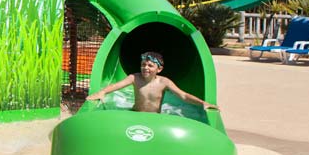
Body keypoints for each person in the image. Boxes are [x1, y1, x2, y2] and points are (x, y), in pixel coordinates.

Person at [87, 51, 219, 113]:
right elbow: (116, 85)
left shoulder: (164, 82)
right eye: (143, 64)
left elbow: (183, 95)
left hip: (155, 116)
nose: (145, 68)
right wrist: (102, 92)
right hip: (135, 113)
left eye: (150, 66)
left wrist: (202, 103)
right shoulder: (134, 78)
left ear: (159, 69)